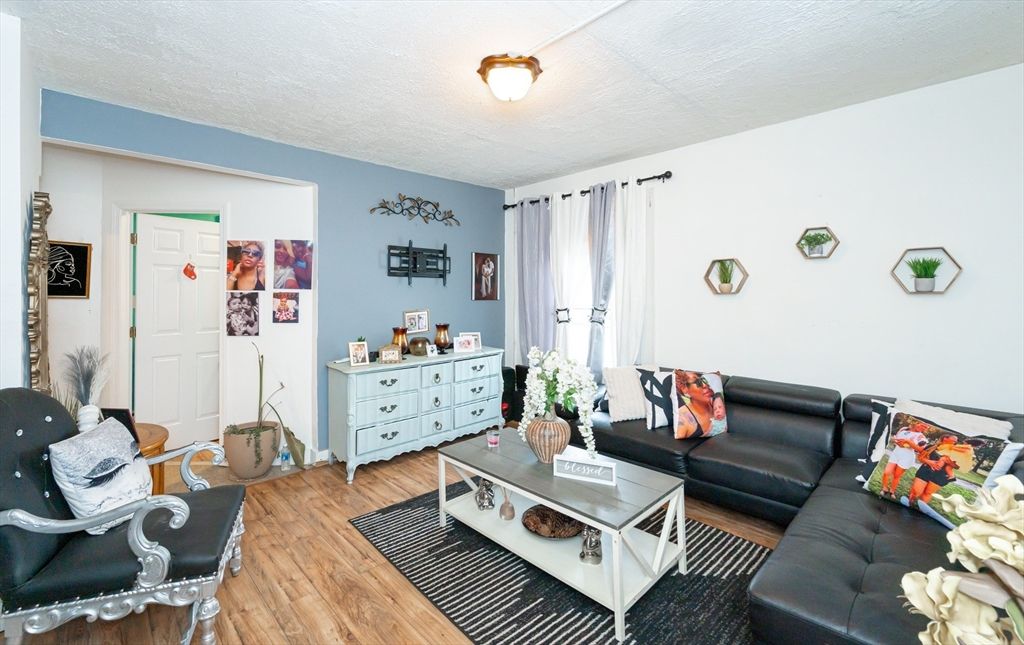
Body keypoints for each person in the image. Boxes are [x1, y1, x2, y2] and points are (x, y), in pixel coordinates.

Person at [907, 434, 959, 507]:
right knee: (916, 491)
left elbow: (957, 466)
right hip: (925, 471)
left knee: (928, 493)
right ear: (945, 438)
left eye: (955, 442)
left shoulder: (955, 451)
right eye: (953, 440)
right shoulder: (932, 447)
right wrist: (929, 462)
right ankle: (909, 503)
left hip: (940, 476)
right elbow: (920, 457)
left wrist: (948, 461)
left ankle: (920, 508)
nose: (955, 442)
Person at [880, 421, 928, 498]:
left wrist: (908, 442)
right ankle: (884, 488)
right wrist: (897, 442)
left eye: (925, 427)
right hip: (896, 453)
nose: (923, 428)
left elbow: (921, 450)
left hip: (907, 457)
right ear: (915, 423)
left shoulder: (921, 437)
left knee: (897, 475)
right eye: (922, 425)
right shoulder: (904, 429)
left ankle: (892, 491)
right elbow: (896, 439)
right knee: (886, 472)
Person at [674, 371, 715, 438]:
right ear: (684, 389)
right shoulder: (683, 419)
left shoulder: (716, 403)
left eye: (703, 380)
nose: (705, 385)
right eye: (697, 382)